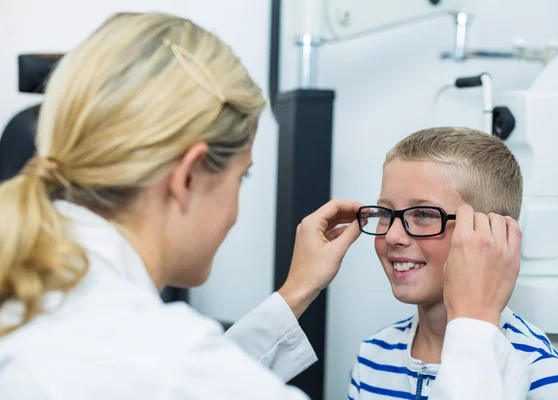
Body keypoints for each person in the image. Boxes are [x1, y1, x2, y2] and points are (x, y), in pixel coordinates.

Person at [0, 10, 531, 400]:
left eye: (421, 214)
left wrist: (297, 290)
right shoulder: (168, 363)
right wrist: (476, 334)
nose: (394, 234)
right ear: (188, 176)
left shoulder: (46, 302)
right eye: (242, 176)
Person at [348, 127, 558, 400]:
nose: (392, 236)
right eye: (386, 213)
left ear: (490, 235)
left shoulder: (540, 374)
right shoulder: (373, 354)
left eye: (423, 214)